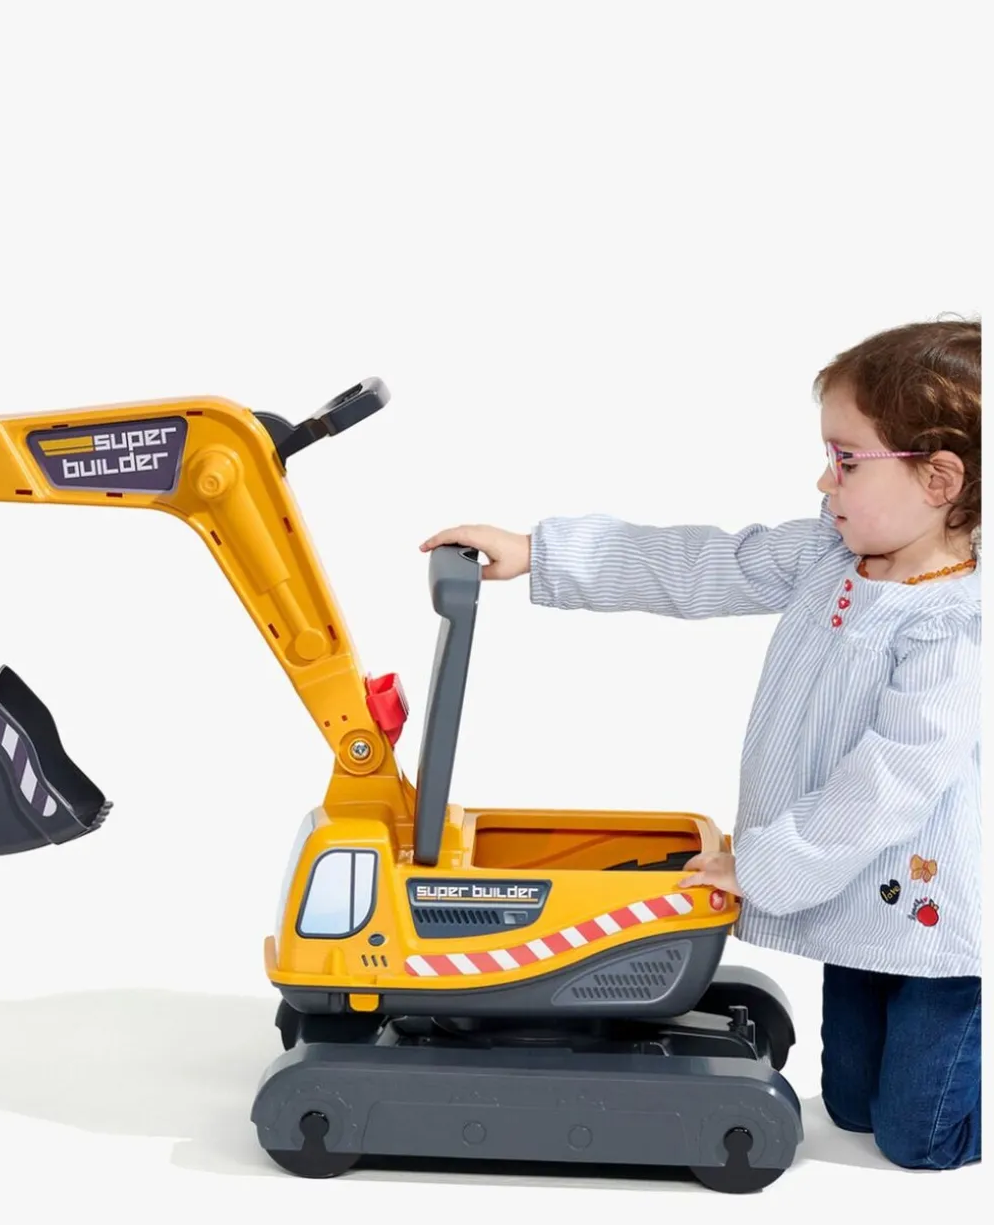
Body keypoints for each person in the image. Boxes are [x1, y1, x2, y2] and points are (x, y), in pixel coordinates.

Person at [420, 317, 981, 1171]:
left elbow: (888, 783)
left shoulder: (957, 627)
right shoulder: (830, 555)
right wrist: (540, 553)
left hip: (933, 915)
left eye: (846, 460)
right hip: (851, 900)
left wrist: (763, 864)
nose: (823, 479)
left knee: (918, 1137)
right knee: (851, 1104)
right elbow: (695, 565)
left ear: (939, 478)